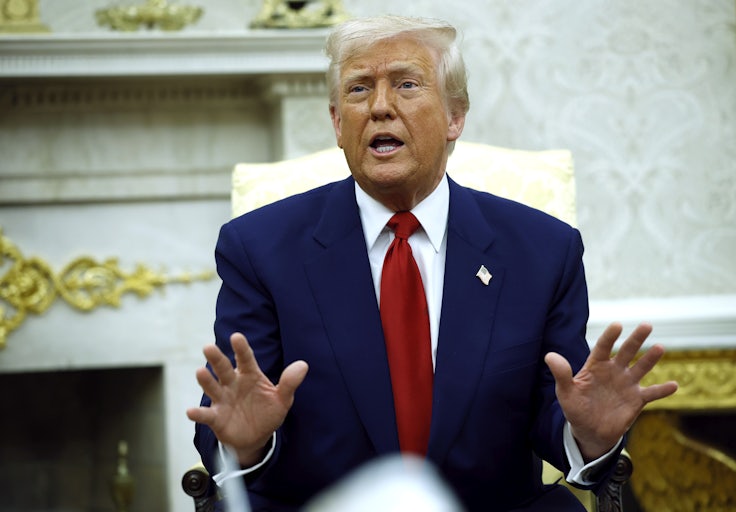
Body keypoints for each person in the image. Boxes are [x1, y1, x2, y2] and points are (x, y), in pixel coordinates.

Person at [187, 14, 678, 511]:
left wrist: (586, 434)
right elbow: (233, 416)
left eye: (406, 84)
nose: (380, 107)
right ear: (338, 123)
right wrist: (245, 443)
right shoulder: (260, 248)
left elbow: (559, 412)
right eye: (359, 90)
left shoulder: (543, 251)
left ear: (455, 117)